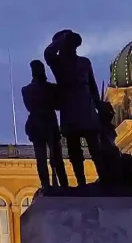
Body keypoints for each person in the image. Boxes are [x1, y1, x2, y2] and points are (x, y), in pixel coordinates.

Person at [44, 29, 105, 186]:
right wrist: (59, 40)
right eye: (67, 43)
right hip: (69, 105)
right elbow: (48, 53)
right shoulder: (58, 63)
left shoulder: (85, 62)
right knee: (74, 148)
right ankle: (81, 183)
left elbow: (93, 86)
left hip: (86, 104)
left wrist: (98, 105)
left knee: (95, 146)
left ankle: (105, 178)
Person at [22, 60, 69, 189]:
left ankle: (53, 185)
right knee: (50, 158)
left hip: (41, 125)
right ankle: (57, 185)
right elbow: (58, 105)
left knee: (49, 157)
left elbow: (30, 106)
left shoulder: (28, 90)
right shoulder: (48, 88)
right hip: (46, 124)